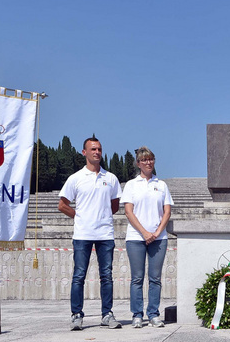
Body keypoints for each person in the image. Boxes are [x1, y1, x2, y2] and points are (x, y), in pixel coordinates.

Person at [58, 137, 121, 330]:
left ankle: (107, 314)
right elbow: (62, 205)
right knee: (79, 276)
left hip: (105, 234)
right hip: (83, 234)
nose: (97, 152)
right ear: (84, 152)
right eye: (93, 149)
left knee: (106, 276)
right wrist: (80, 216)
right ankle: (76, 314)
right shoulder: (76, 178)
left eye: (99, 149)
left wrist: (99, 217)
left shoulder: (110, 178)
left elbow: (115, 205)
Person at [121, 147, 173, 328]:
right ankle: (137, 314)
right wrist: (144, 232)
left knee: (155, 278)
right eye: (144, 160)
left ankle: (153, 314)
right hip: (136, 237)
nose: (148, 162)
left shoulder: (162, 185)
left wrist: (157, 232)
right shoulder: (131, 185)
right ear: (138, 163)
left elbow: (167, 211)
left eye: (150, 159)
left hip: (158, 238)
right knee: (137, 277)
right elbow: (129, 211)